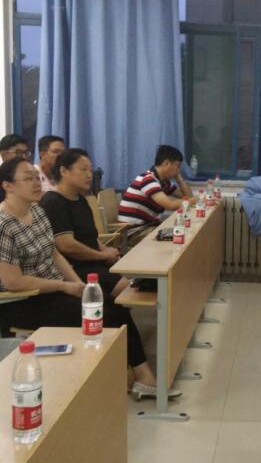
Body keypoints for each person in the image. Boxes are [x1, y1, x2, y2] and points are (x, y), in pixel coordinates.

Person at [0, 156, 180, 400]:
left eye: (36, 177)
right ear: (8, 186)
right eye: (27, 178)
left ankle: (136, 375)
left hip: (55, 289)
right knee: (106, 312)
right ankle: (137, 377)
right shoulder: (4, 225)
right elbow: (14, 282)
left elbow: (54, 253)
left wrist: (77, 284)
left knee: (109, 304)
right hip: (24, 301)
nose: (36, 182)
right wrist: (64, 287)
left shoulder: (37, 211)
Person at [39, 148, 127, 298]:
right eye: (83, 170)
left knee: (136, 273)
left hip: (94, 262)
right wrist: (102, 256)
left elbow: (91, 237)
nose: (89, 175)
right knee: (128, 287)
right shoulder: (53, 202)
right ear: (64, 171)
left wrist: (106, 250)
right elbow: (67, 246)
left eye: (90, 170)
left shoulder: (80, 200)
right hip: (74, 269)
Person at [118, 145, 196, 233]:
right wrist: (196, 200)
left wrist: (179, 179)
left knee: (184, 231)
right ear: (166, 163)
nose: (178, 170)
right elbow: (170, 205)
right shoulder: (148, 179)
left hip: (146, 227)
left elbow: (188, 197)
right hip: (134, 231)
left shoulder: (163, 182)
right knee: (182, 234)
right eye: (177, 166)